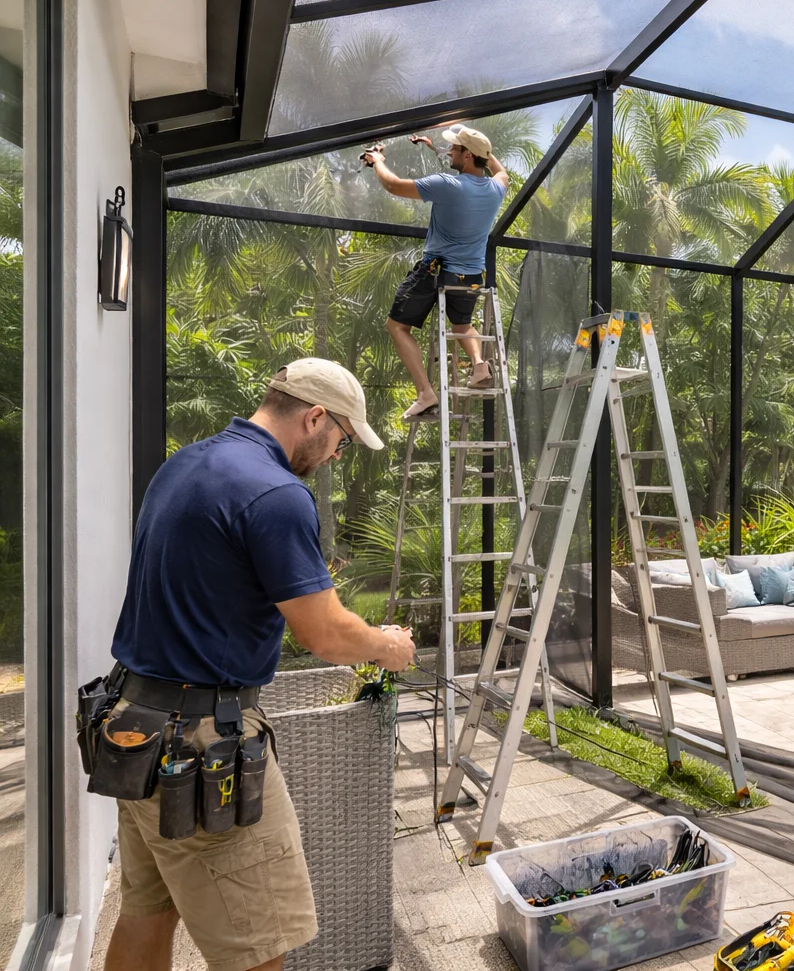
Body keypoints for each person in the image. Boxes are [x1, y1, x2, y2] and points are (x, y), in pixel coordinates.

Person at [102, 359, 416, 971]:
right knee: (257, 946)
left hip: (133, 725)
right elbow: (324, 634)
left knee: (147, 914)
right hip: (198, 747)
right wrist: (386, 644)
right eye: (342, 440)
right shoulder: (274, 493)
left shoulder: (184, 464)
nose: (336, 455)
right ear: (315, 416)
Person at [364, 124, 509, 421]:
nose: (450, 152)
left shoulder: (448, 185)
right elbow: (499, 168)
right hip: (470, 277)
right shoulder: (497, 188)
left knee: (396, 327)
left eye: (455, 149)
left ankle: (426, 394)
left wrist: (377, 160)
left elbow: (393, 185)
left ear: (468, 156)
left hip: (436, 271)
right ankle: (480, 365)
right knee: (461, 324)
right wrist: (470, 138)